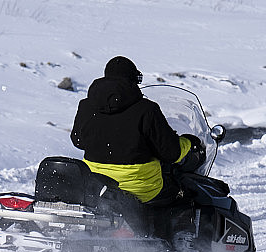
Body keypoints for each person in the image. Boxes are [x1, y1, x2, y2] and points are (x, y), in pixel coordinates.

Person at [70, 56, 204, 207]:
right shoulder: (147, 109)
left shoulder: (86, 106)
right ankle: (161, 230)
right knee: (180, 194)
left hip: (96, 184)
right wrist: (189, 142)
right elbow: (171, 153)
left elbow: (78, 140)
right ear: (133, 80)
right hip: (141, 189)